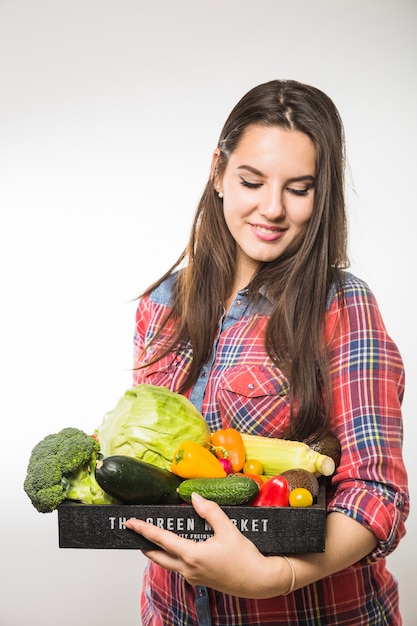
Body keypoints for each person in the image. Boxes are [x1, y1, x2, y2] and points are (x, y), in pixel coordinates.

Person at [125, 79, 409, 625]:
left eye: (299, 188)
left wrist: (274, 576)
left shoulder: (343, 306)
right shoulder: (162, 306)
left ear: (320, 194)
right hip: (175, 611)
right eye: (251, 181)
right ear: (218, 173)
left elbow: (377, 494)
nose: (272, 209)